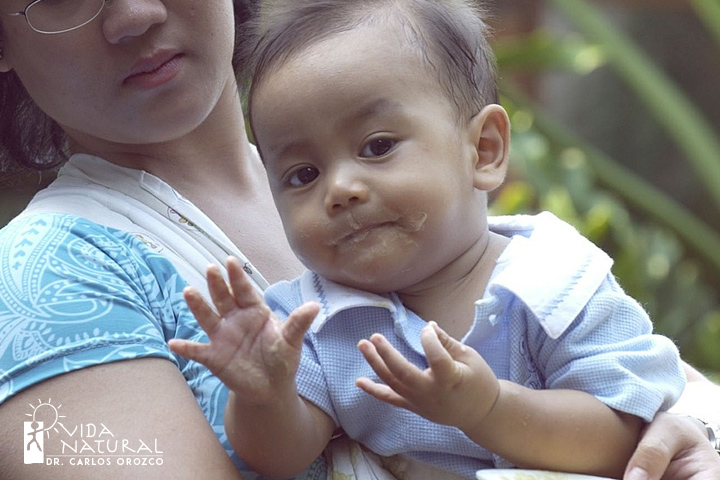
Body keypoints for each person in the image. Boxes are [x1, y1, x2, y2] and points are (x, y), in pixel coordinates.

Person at [0, 0, 716, 479]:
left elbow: (647, 384)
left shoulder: (474, 230)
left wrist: (684, 431)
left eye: (375, 146)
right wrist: (262, 396)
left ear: (483, 148)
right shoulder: (45, 278)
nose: (135, 13)